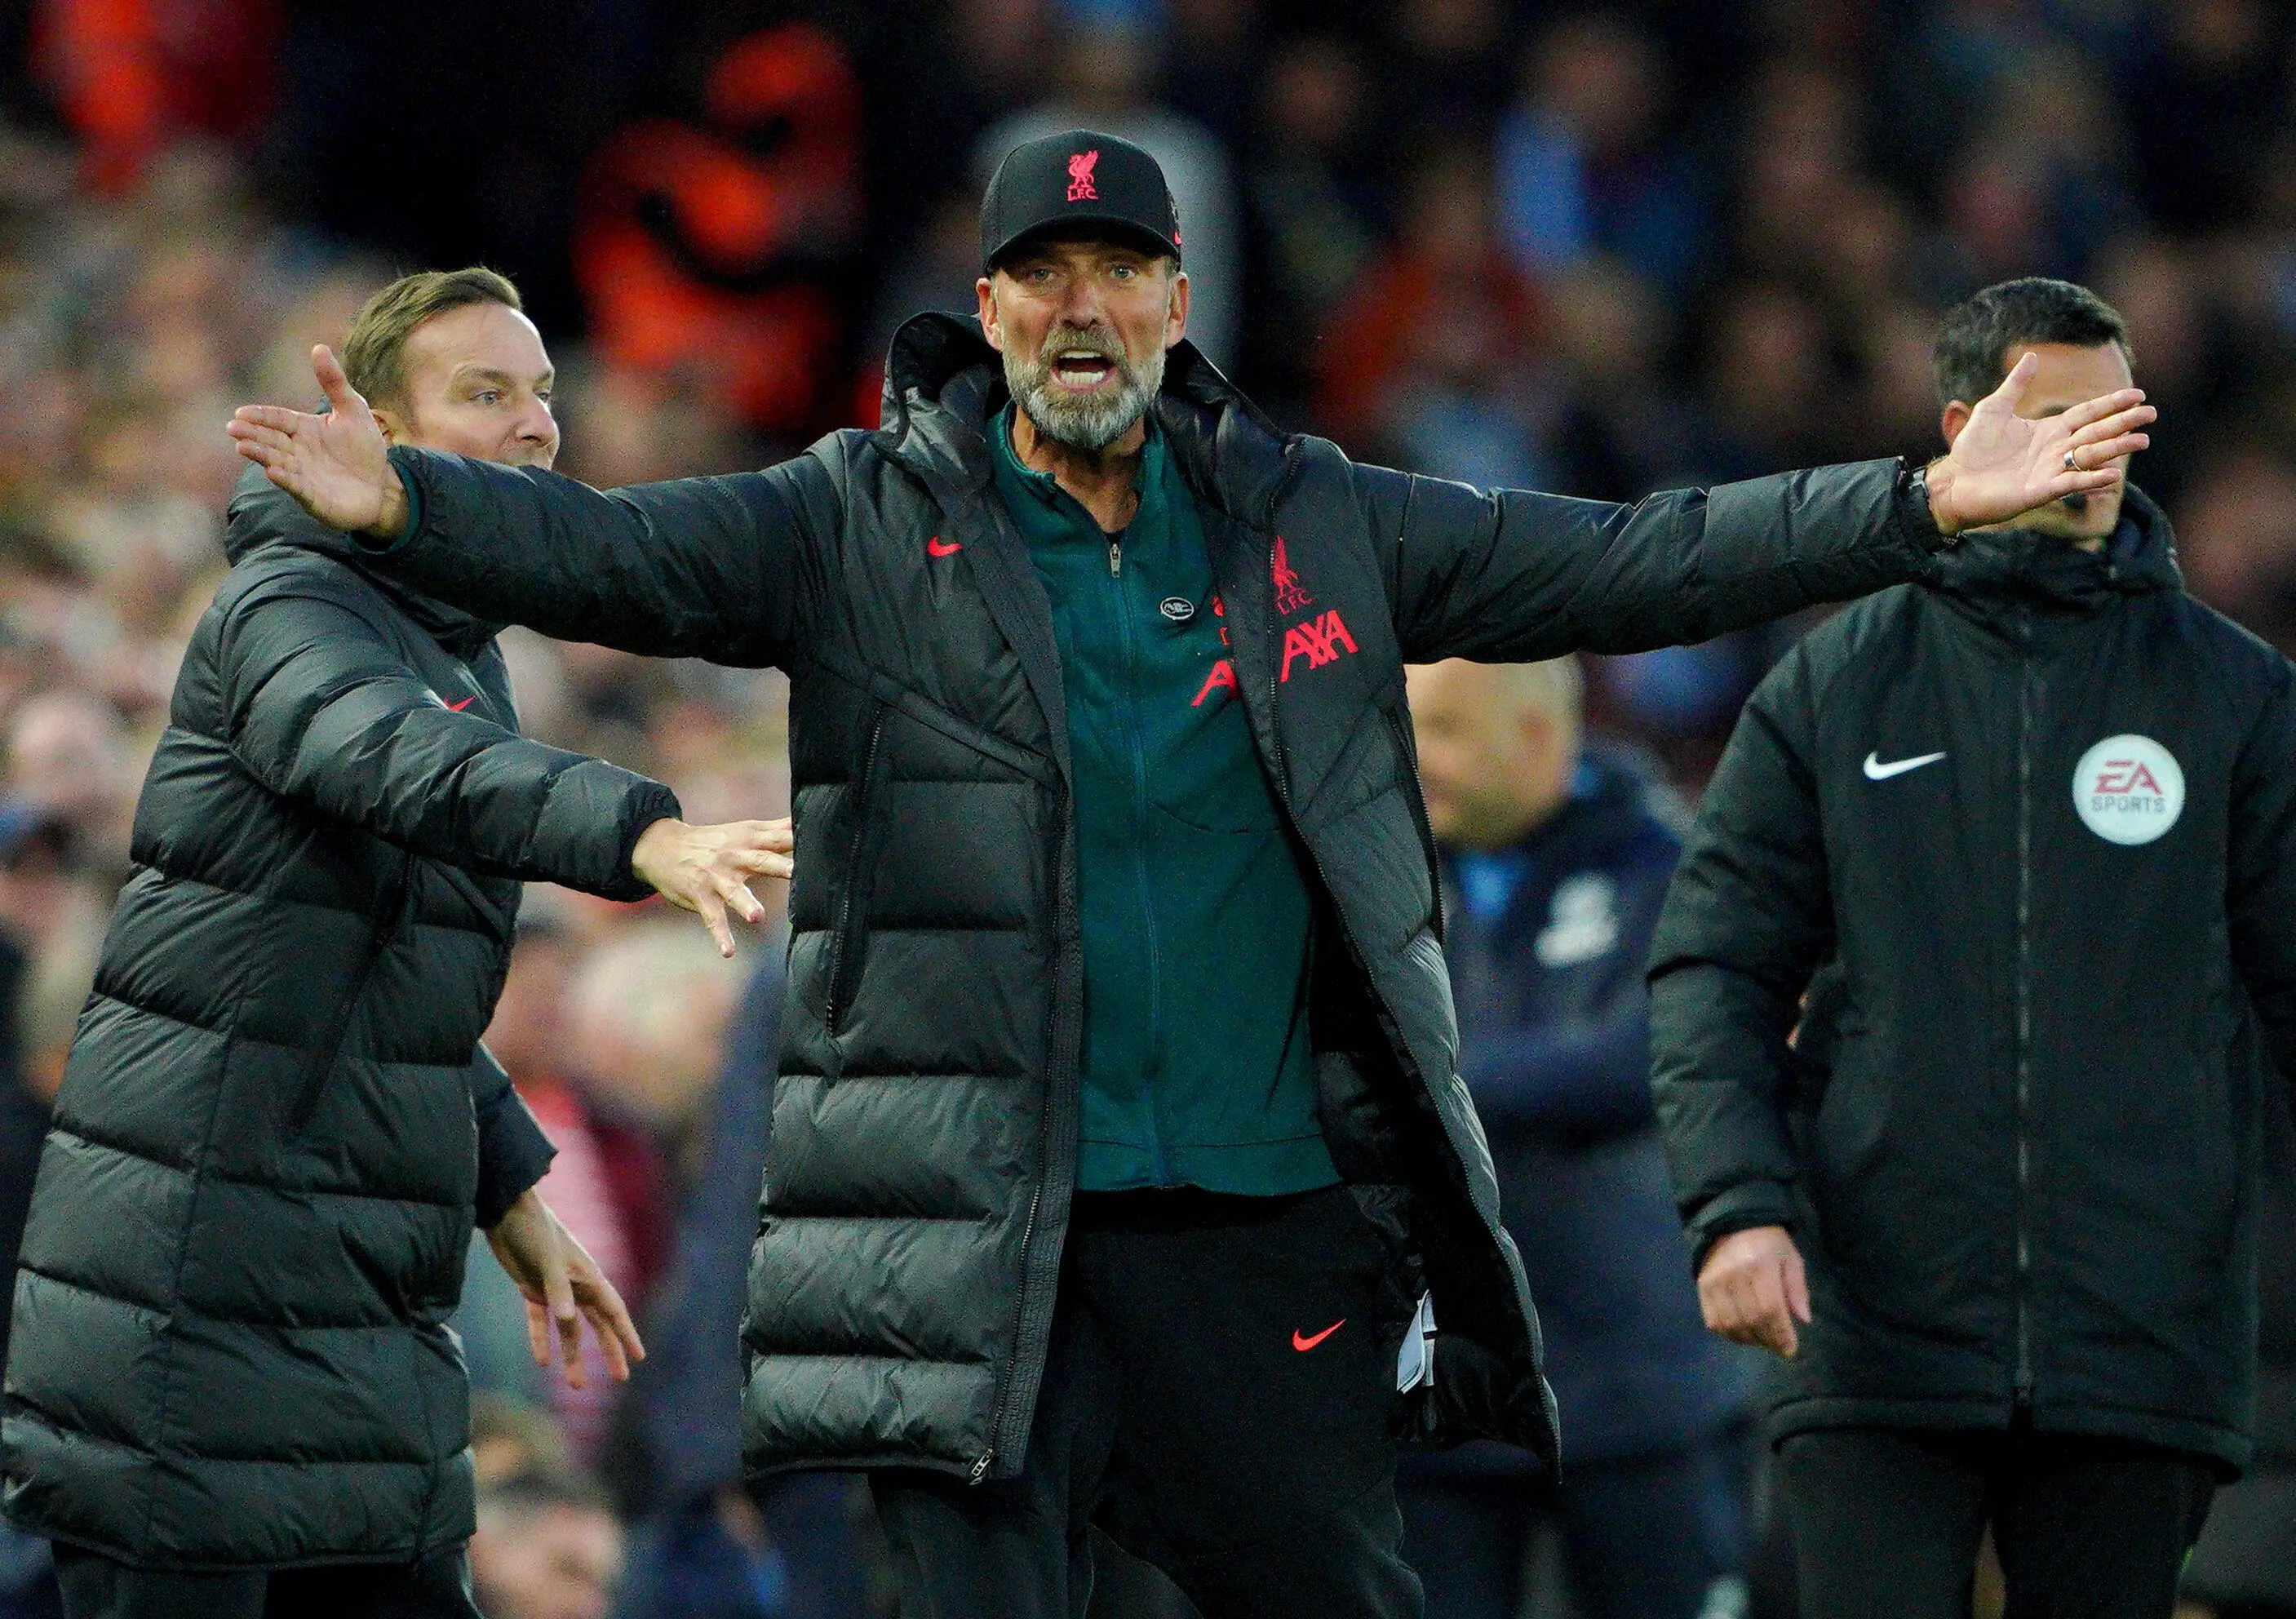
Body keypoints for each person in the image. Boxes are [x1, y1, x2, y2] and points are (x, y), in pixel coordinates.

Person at [227, 135, 2152, 1619]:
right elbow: (612, 558)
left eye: (1121, 272)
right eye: (1042, 273)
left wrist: (1911, 502)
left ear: (1175, 300)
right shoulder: (845, 523)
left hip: (1258, 1235)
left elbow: (1634, 556)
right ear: (985, 309)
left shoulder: (1318, 518)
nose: (1082, 309)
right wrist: (405, 495)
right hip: (983, 1249)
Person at [2, 268, 792, 1619]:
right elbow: (394, 754)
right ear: (371, 434)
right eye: (484, 394)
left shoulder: (456, 651)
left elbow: (376, 997)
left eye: (542, 392)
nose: (536, 424)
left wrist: (510, 1194)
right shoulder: (285, 605)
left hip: (354, 1321)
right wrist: (635, 831)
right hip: (191, 1318)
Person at [1647, 277, 2292, 1618]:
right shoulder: (1832, 684)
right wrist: (1737, 1204)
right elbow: (1714, 961)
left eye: (2116, 416)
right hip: (1871, 1323)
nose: (2093, 448)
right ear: (1961, 426)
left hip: (2138, 1330)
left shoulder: (2235, 697)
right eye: (2054, 415)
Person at [1397, 655, 1753, 1619]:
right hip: (1436, 1392)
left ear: (1540, 735)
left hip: (1639, 1388)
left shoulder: (1670, 857)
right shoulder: (1371, 867)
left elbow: (1655, 1054)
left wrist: (1433, 1085)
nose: (1412, 756)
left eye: (1445, 730)